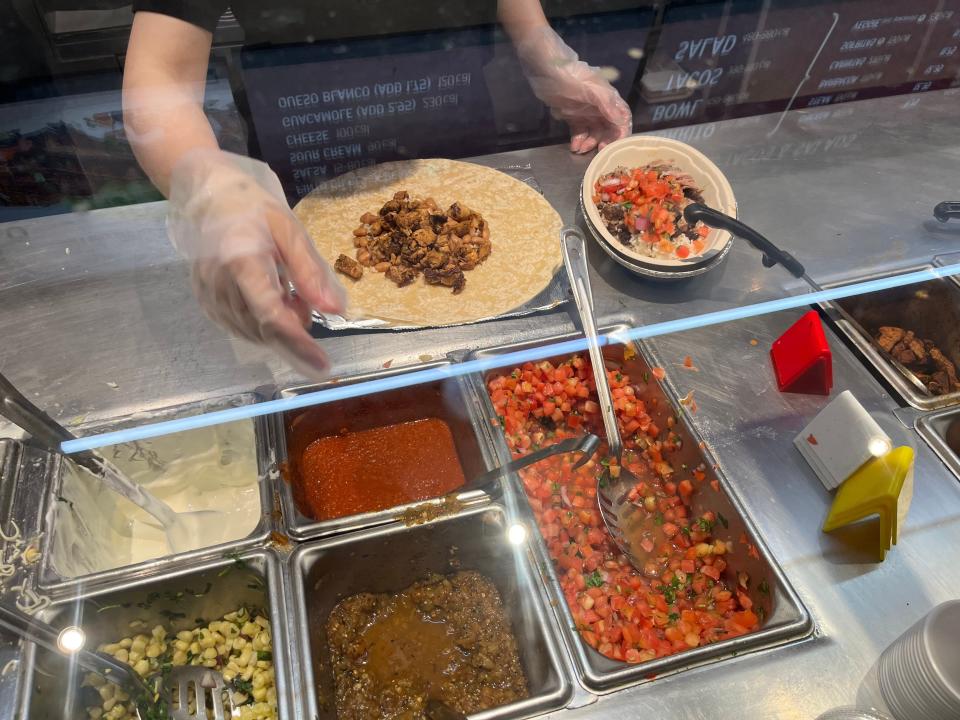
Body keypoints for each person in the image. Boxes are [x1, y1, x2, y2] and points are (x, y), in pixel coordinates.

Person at [123, 0, 632, 377]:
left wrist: (536, 40)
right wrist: (209, 182)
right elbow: (160, 69)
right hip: (311, 130)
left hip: (452, 107)